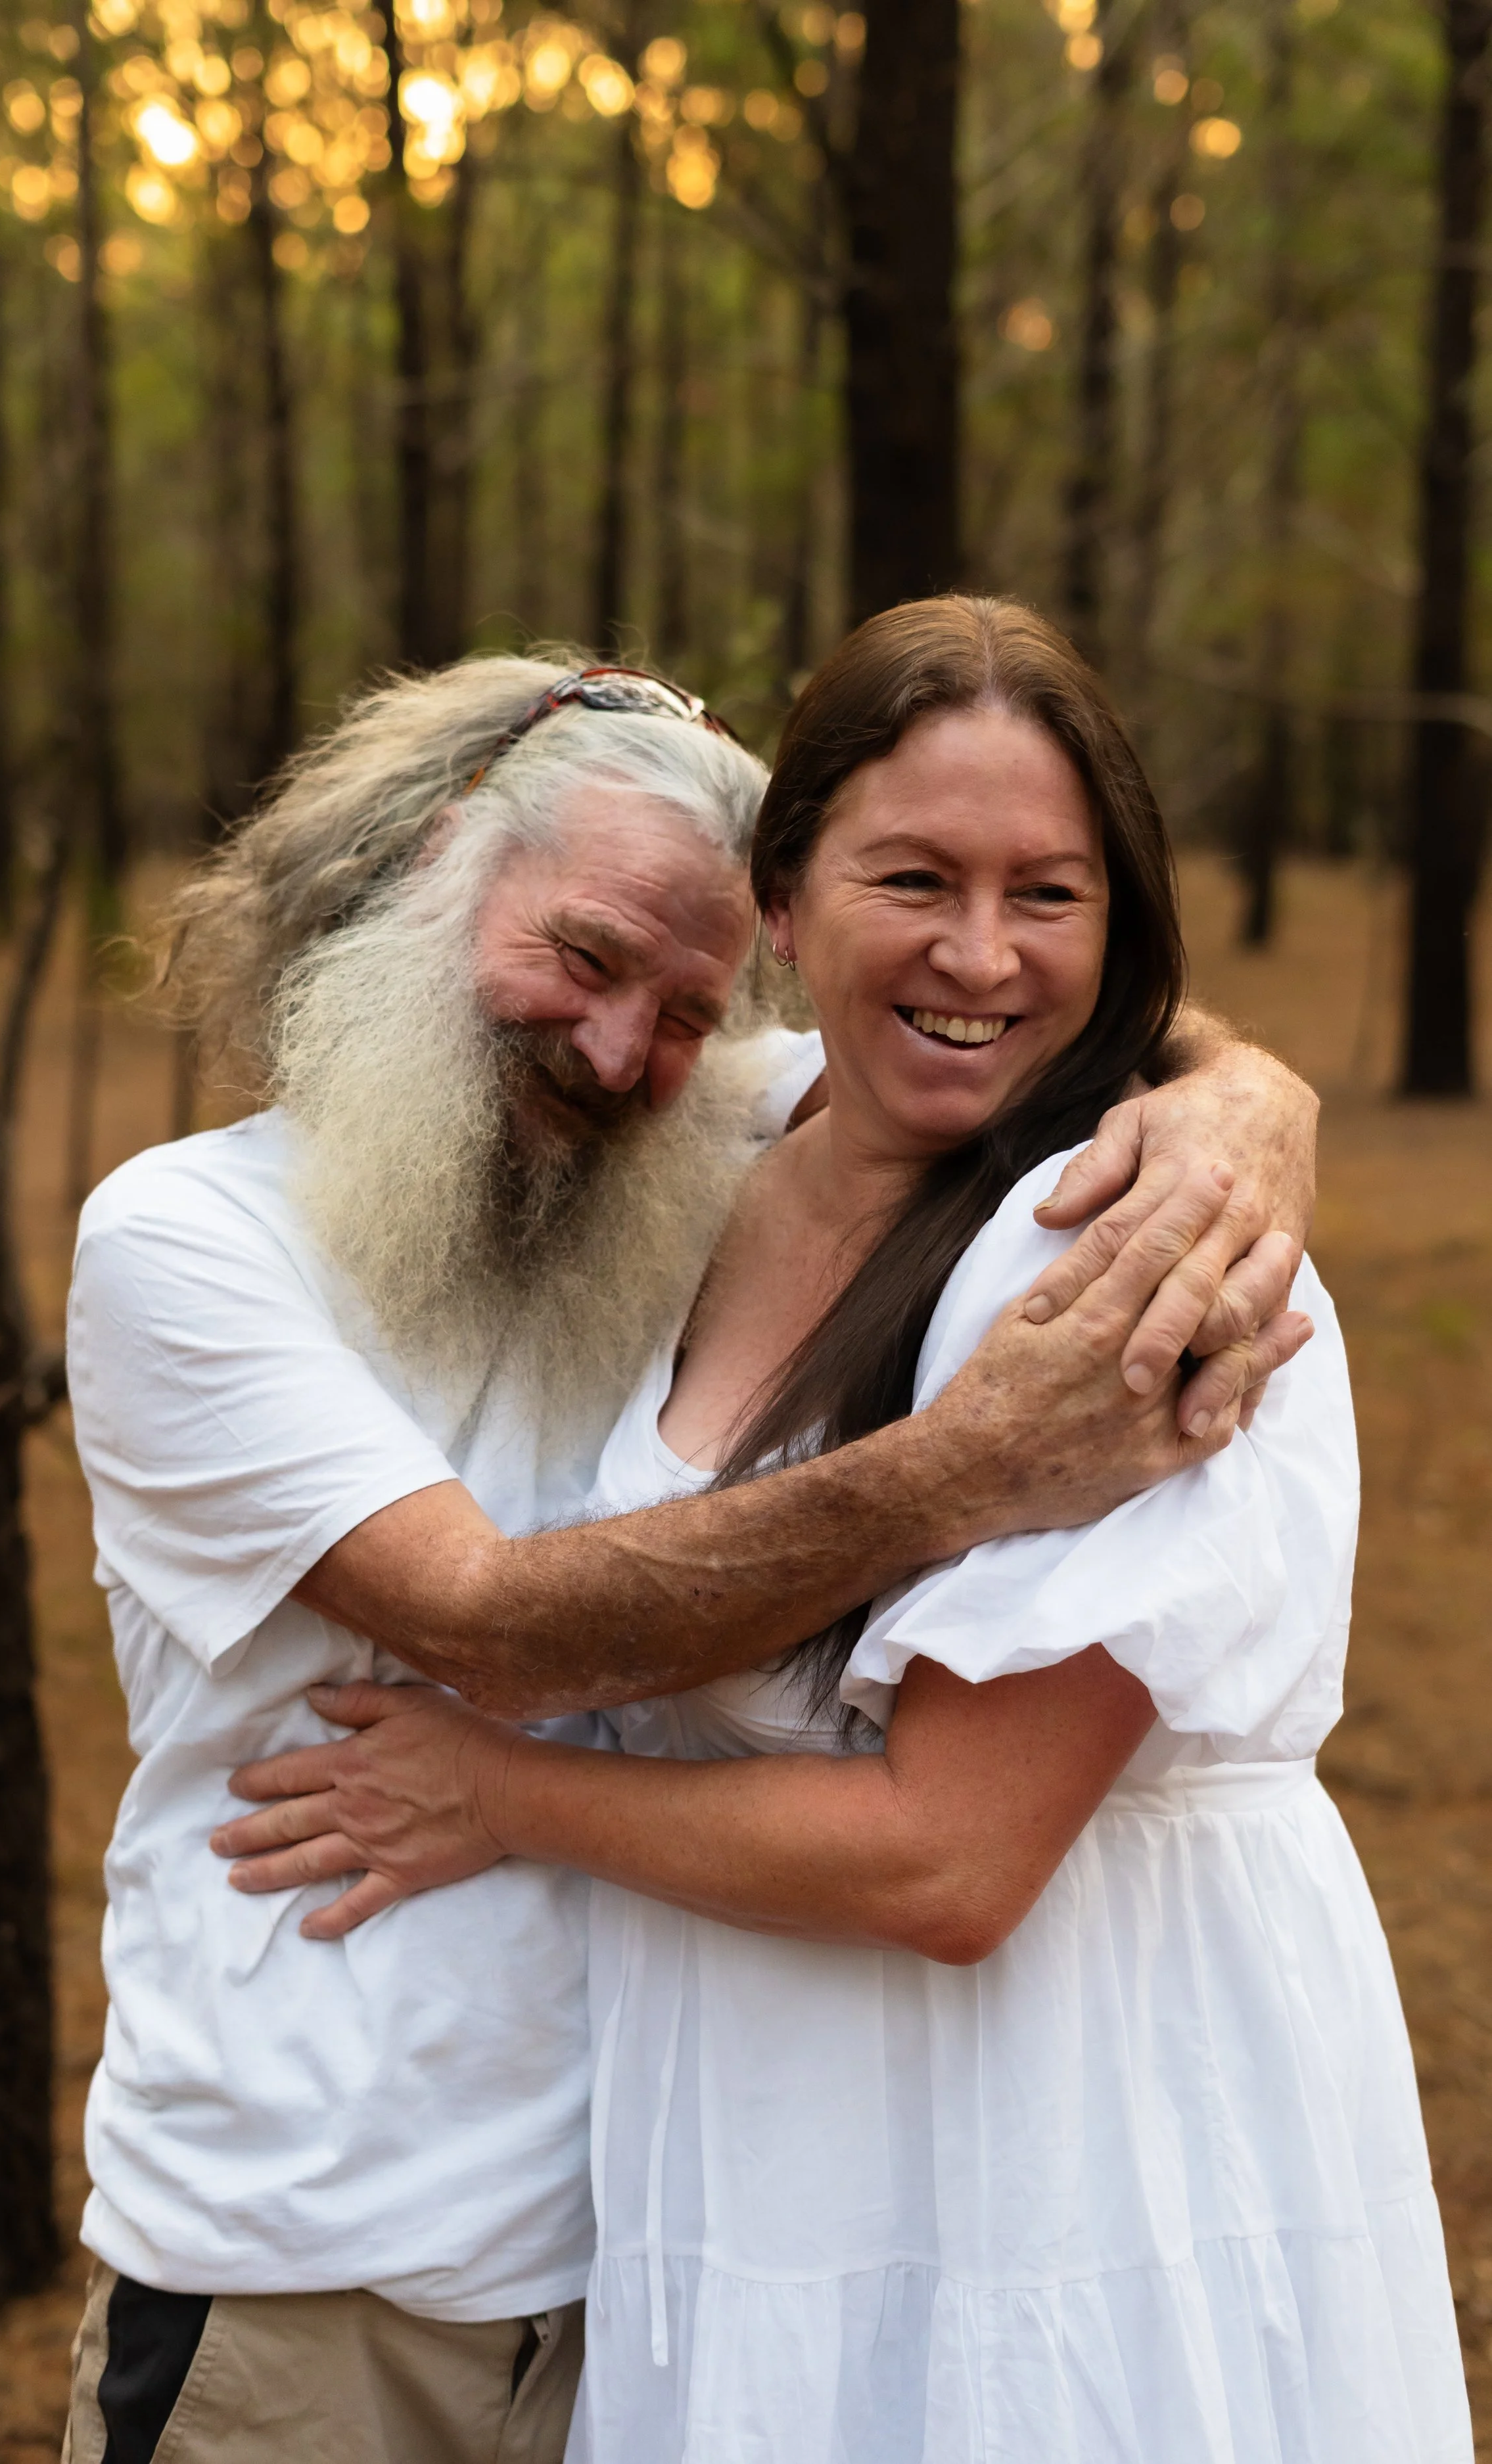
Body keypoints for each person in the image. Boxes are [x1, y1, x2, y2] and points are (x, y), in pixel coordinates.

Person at [220, 605, 1469, 2464]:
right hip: (757, 2129)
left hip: (1058, 2129)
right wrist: (1248, 1078)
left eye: (1049, 893)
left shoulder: (1124, 1255)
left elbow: (953, 1862)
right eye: (913, 877)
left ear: (1119, 925)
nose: (980, 952)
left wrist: (499, 1792)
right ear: (782, 903)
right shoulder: (707, 1162)